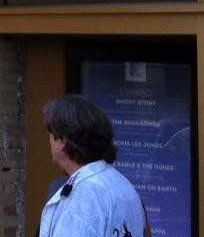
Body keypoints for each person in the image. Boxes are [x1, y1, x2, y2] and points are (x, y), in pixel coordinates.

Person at [39, 95, 148, 237]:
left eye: (50, 133)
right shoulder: (123, 186)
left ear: (64, 139)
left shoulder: (83, 194)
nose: (49, 141)